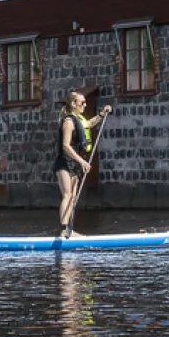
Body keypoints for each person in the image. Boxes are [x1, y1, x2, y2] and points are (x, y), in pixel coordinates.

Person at [55, 90, 111, 238]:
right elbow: (66, 146)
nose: (85, 105)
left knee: (73, 197)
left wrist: (102, 113)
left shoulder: (78, 119)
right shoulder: (68, 121)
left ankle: (70, 230)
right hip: (64, 163)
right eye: (82, 103)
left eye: (86, 103)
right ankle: (63, 230)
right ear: (73, 104)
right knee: (67, 195)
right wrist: (82, 161)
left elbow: (90, 124)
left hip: (75, 164)